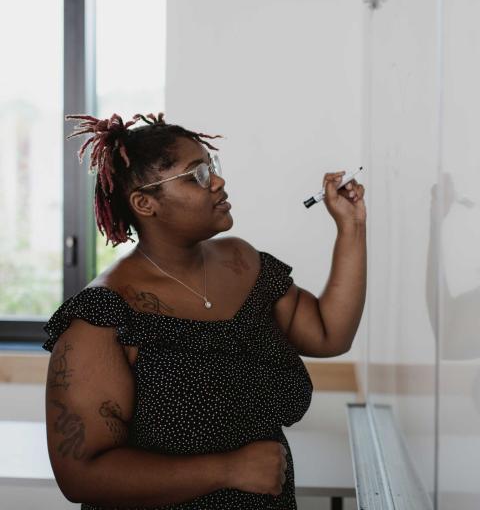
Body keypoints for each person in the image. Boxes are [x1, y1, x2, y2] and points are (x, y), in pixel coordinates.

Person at [42, 111, 364, 509]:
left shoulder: (243, 263)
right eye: (195, 175)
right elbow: (81, 475)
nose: (218, 181)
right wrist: (228, 470)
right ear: (145, 203)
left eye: (212, 167)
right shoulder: (104, 317)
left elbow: (330, 333)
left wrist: (351, 228)